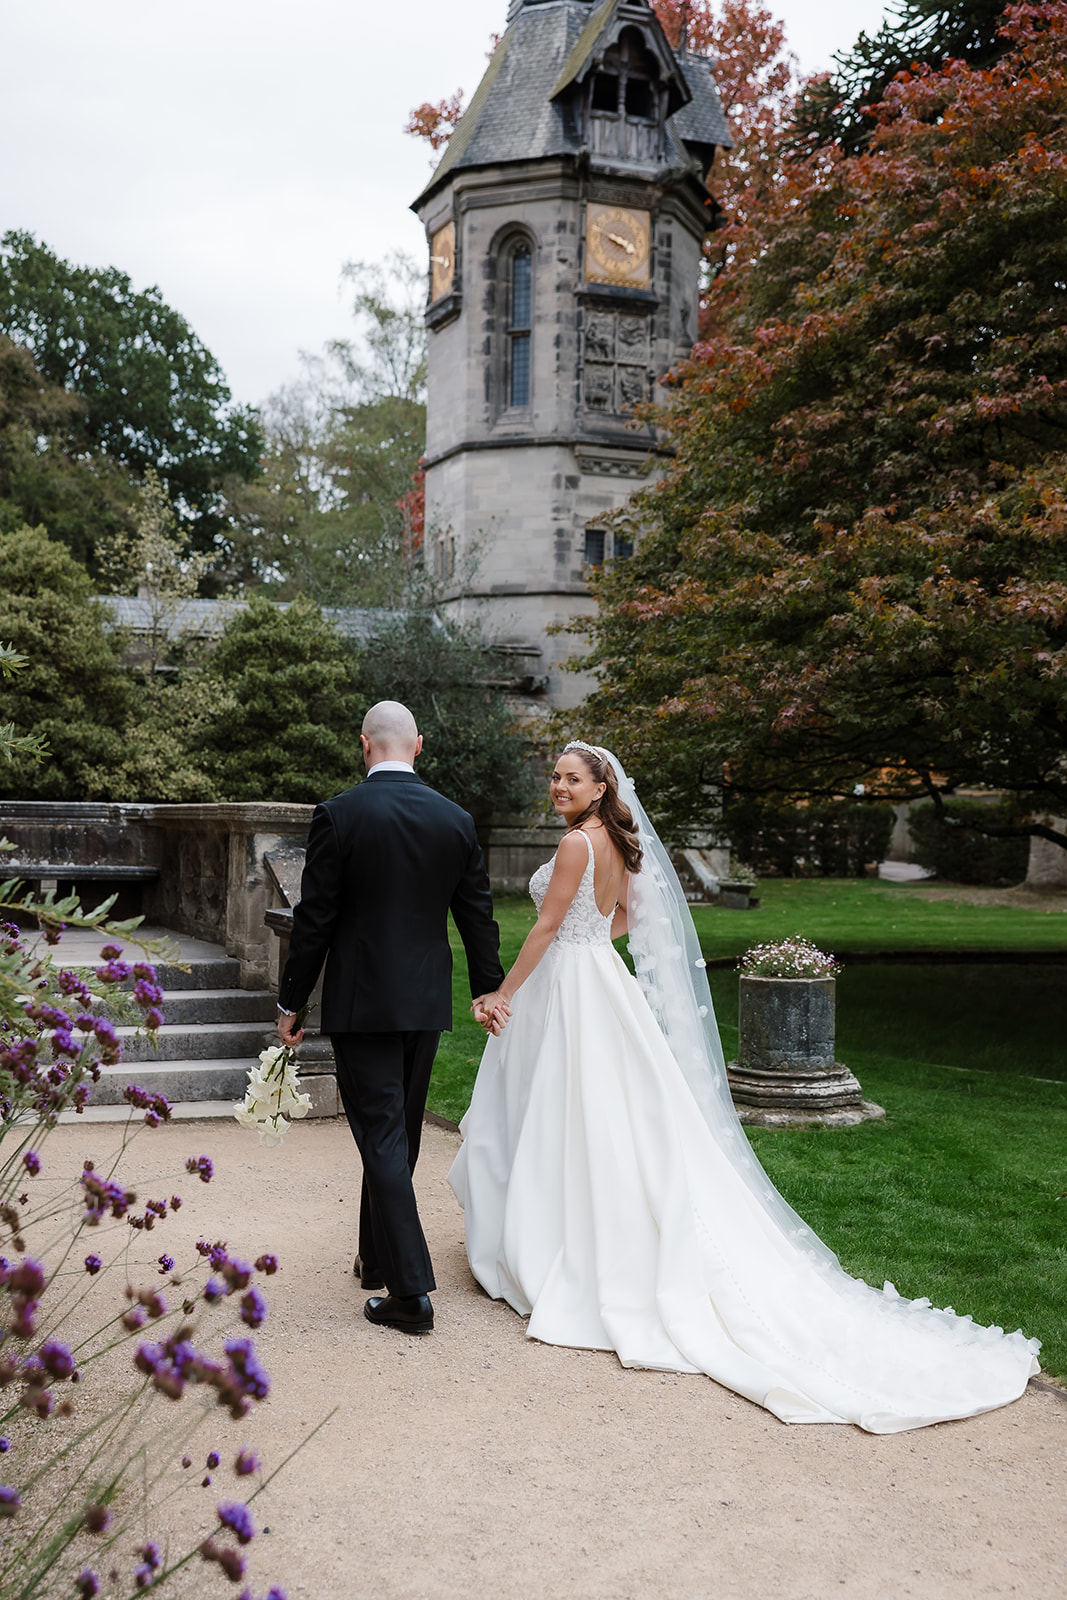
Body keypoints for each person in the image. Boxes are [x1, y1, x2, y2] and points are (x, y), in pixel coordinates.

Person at [448, 740, 1041, 1432]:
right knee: (601, 1113)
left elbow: (548, 925)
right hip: (598, 980)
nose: (557, 785)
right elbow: (630, 916)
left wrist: (501, 993)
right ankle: (565, 1224)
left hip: (571, 981)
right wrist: (593, 946)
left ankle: (557, 1239)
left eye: (570, 778)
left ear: (599, 784)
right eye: (553, 776)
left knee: (572, 1110)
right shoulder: (618, 837)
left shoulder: (578, 844)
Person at [278, 700, 504, 1335]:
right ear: (419, 745)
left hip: (360, 1002)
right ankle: (375, 1255)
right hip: (424, 1002)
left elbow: (314, 917)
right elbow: (477, 915)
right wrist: (487, 986)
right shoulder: (455, 819)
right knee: (395, 1134)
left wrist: (290, 1000)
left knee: (381, 1137)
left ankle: (410, 1294)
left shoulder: (339, 814)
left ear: (364, 744)